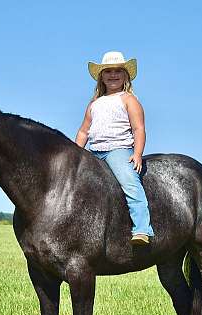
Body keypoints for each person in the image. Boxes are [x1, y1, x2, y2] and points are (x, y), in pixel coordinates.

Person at [75, 51, 155, 245]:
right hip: (94, 151)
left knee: (129, 182)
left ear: (125, 75)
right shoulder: (94, 103)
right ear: (101, 76)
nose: (113, 75)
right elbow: (84, 132)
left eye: (118, 71)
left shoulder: (128, 99)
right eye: (108, 71)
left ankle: (142, 228)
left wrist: (137, 153)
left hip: (118, 149)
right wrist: (75, 153)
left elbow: (139, 128)